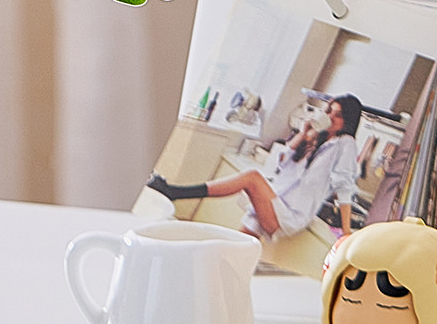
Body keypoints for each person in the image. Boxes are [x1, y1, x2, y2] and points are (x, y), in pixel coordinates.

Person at [148, 94, 362, 239]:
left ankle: (174, 192)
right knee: (234, 247)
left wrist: (345, 232)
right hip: (276, 200)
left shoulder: (346, 144)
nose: (331, 117)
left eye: (339, 115)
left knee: (251, 178)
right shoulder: (317, 139)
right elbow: (282, 161)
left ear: (348, 121)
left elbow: (344, 186)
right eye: (330, 111)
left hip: (291, 214)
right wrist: (303, 134)